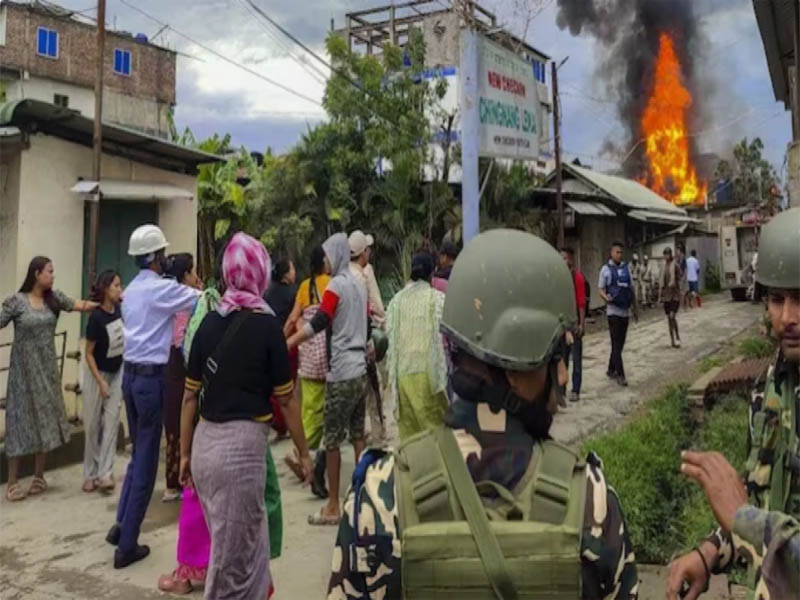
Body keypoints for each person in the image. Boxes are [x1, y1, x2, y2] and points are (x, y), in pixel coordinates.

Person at [326, 229, 639, 599]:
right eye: (555, 357)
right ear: (516, 359)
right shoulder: (591, 498)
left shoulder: (379, 493)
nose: (563, 375)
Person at [667, 207, 800, 600]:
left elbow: (751, 518)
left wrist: (744, 520)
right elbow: (760, 502)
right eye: (777, 299)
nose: (787, 318)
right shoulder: (771, 388)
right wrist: (711, 552)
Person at [180, 232, 310, 599]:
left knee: (244, 549)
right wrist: (304, 452)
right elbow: (287, 402)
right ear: (260, 273)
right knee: (233, 564)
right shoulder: (267, 327)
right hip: (241, 454)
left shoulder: (208, 324)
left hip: (205, 448)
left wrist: (186, 455)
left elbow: (190, 398)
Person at [105, 225, 200, 569]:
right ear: (156, 258)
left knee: (136, 455)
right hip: (150, 380)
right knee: (146, 461)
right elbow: (197, 298)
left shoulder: (131, 291)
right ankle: (127, 545)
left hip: (130, 377)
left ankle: (120, 525)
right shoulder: (163, 290)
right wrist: (192, 283)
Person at [288, 232, 368, 526]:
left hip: (343, 370)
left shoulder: (336, 285)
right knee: (358, 435)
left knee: (332, 441)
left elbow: (321, 320)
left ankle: (333, 505)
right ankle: (362, 499)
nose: (324, 261)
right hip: (360, 367)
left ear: (334, 255)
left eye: (326, 255)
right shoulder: (359, 283)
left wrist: (293, 340)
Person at [1, 256, 97, 502]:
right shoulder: (17, 302)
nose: (52, 276)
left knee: (44, 418)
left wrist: (105, 302)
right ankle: (12, 482)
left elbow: (79, 305)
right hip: (22, 374)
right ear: (36, 274)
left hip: (46, 370)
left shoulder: (54, 299)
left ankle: (39, 476)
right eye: (49, 272)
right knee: (18, 420)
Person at [283, 246, 331, 499]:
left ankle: (301, 449)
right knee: (326, 410)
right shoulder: (332, 284)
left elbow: (293, 319)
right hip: (329, 355)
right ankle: (302, 451)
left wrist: (282, 341)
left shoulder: (304, 287)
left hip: (309, 356)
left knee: (309, 407)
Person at [385, 253, 447, 440]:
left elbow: (389, 335)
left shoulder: (396, 301)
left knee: (410, 437)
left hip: (402, 376)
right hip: (430, 377)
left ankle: (415, 468)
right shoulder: (437, 299)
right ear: (431, 274)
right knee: (436, 435)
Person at [162, 253, 203, 502]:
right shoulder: (189, 298)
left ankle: (174, 481)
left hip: (172, 361)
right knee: (185, 420)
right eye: (192, 271)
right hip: (181, 360)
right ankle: (183, 479)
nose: (196, 276)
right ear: (185, 275)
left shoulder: (168, 295)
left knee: (175, 424)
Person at [82, 270, 124, 494]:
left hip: (117, 370)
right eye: (116, 286)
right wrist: (99, 382)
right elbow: (88, 352)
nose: (120, 289)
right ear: (107, 288)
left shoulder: (119, 310)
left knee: (111, 421)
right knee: (91, 424)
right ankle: (90, 472)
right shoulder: (96, 318)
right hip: (96, 372)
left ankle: (105, 473)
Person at [348, 230, 386, 445]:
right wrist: (383, 318)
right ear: (363, 252)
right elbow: (374, 304)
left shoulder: (340, 275)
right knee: (374, 389)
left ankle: (358, 435)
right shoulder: (363, 275)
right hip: (364, 342)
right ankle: (379, 435)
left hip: (346, 348)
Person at [264, 258, 298, 439]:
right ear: (286, 274)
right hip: (288, 342)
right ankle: (285, 423)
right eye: (292, 269)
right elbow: (294, 320)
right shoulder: (293, 293)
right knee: (288, 385)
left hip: (268, 341)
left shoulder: (267, 292)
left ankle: (278, 422)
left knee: (272, 384)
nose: (295, 272)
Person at [598, 241, 637, 387]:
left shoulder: (627, 269)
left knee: (619, 345)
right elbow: (600, 288)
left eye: (621, 252)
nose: (619, 255)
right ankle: (621, 375)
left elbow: (631, 290)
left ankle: (610, 369)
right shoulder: (605, 270)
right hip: (613, 312)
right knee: (615, 344)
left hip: (624, 312)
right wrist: (605, 297)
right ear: (611, 253)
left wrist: (635, 309)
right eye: (617, 252)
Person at [561, 247, 587, 402]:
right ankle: (561, 391)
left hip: (574, 323)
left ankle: (576, 390)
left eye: (564, 258)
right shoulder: (559, 277)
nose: (562, 261)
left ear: (570, 259)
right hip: (562, 325)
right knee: (562, 360)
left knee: (576, 359)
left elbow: (581, 302)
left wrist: (581, 324)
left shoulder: (577, 277)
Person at [658, 247, 682, 349]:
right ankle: (672, 340)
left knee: (672, 316)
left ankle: (677, 336)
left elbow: (681, 276)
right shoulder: (663, 266)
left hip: (675, 295)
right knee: (669, 318)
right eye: (664, 254)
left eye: (667, 254)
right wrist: (660, 296)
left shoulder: (675, 265)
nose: (666, 256)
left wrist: (676, 283)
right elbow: (661, 282)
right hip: (666, 296)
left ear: (670, 254)